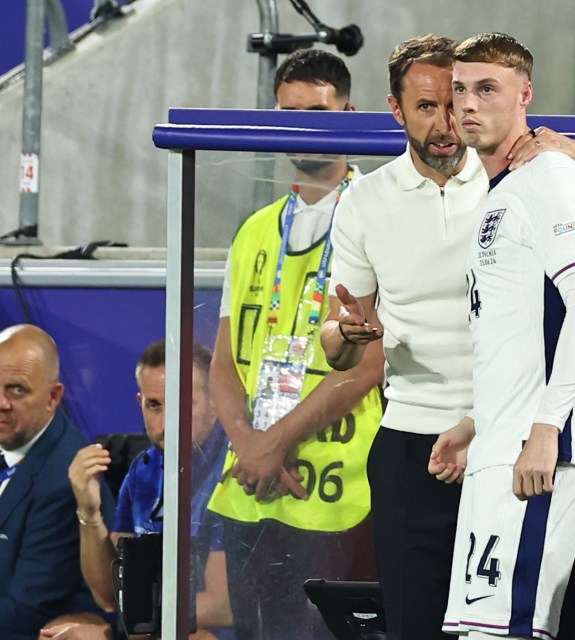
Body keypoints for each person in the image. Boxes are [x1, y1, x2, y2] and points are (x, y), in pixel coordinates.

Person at [321, 34, 575, 640]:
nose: (451, 119)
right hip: (422, 445)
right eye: (431, 105)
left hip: (518, 444)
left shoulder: (520, 172)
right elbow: (336, 340)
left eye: (463, 98)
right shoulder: (364, 201)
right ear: (395, 110)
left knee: (529, 623)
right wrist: (346, 332)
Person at [425, 31, 575, 640]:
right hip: (501, 447)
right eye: (459, 91)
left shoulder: (551, 177)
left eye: (487, 89)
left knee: (509, 632)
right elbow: (519, 336)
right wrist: (478, 423)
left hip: (536, 457)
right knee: (484, 632)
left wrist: (546, 431)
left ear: (524, 93)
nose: (468, 105)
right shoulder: (499, 193)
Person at [206, 46, 384, 640]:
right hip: (250, 489)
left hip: (331, 494)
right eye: (287, 112)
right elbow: (225, 362)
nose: (301, 126)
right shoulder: (254, 230)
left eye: (317, 111)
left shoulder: (378, 219)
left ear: (351, 114)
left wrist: (269, 445)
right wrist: (249, 447)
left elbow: (368, 366)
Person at [60, 341, 231, 640]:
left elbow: (221, 606)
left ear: (215, 402)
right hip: (153, 625)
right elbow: (109, 597)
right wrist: (89, 512)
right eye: (154, 405)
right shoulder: (143, 469)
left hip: (210, 632)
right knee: (59, 634)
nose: (166, 423)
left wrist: (124, 628)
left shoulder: (232, 471)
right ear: (140, 402)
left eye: (182, 404)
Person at [0, 324, 114, 640]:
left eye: (16, 389)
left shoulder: (62, 480)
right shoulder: (11, 440)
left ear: (53, 397)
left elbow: (24, 611)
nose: (1, 403)